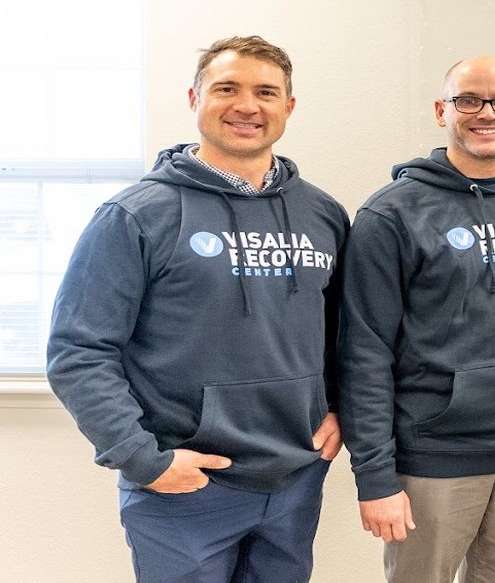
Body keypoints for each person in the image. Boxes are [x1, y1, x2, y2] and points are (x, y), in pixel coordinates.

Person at [47, 36, 349, 583]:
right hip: (185, 485)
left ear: (288, 106)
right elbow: (79, 351)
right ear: (194, 98)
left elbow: (345, 334)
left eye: (266, 92)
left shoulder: (323, 214)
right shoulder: (136, 216)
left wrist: (338, 407)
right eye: (227, 89)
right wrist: (143, 459)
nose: (247, 106)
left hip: (295, 477)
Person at [338, 56, 495, 583]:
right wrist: (374, 474)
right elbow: (364, 350)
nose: (486, 113)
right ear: (441, 111)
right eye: (468, 100)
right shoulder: (392, 214)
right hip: (436, 452)